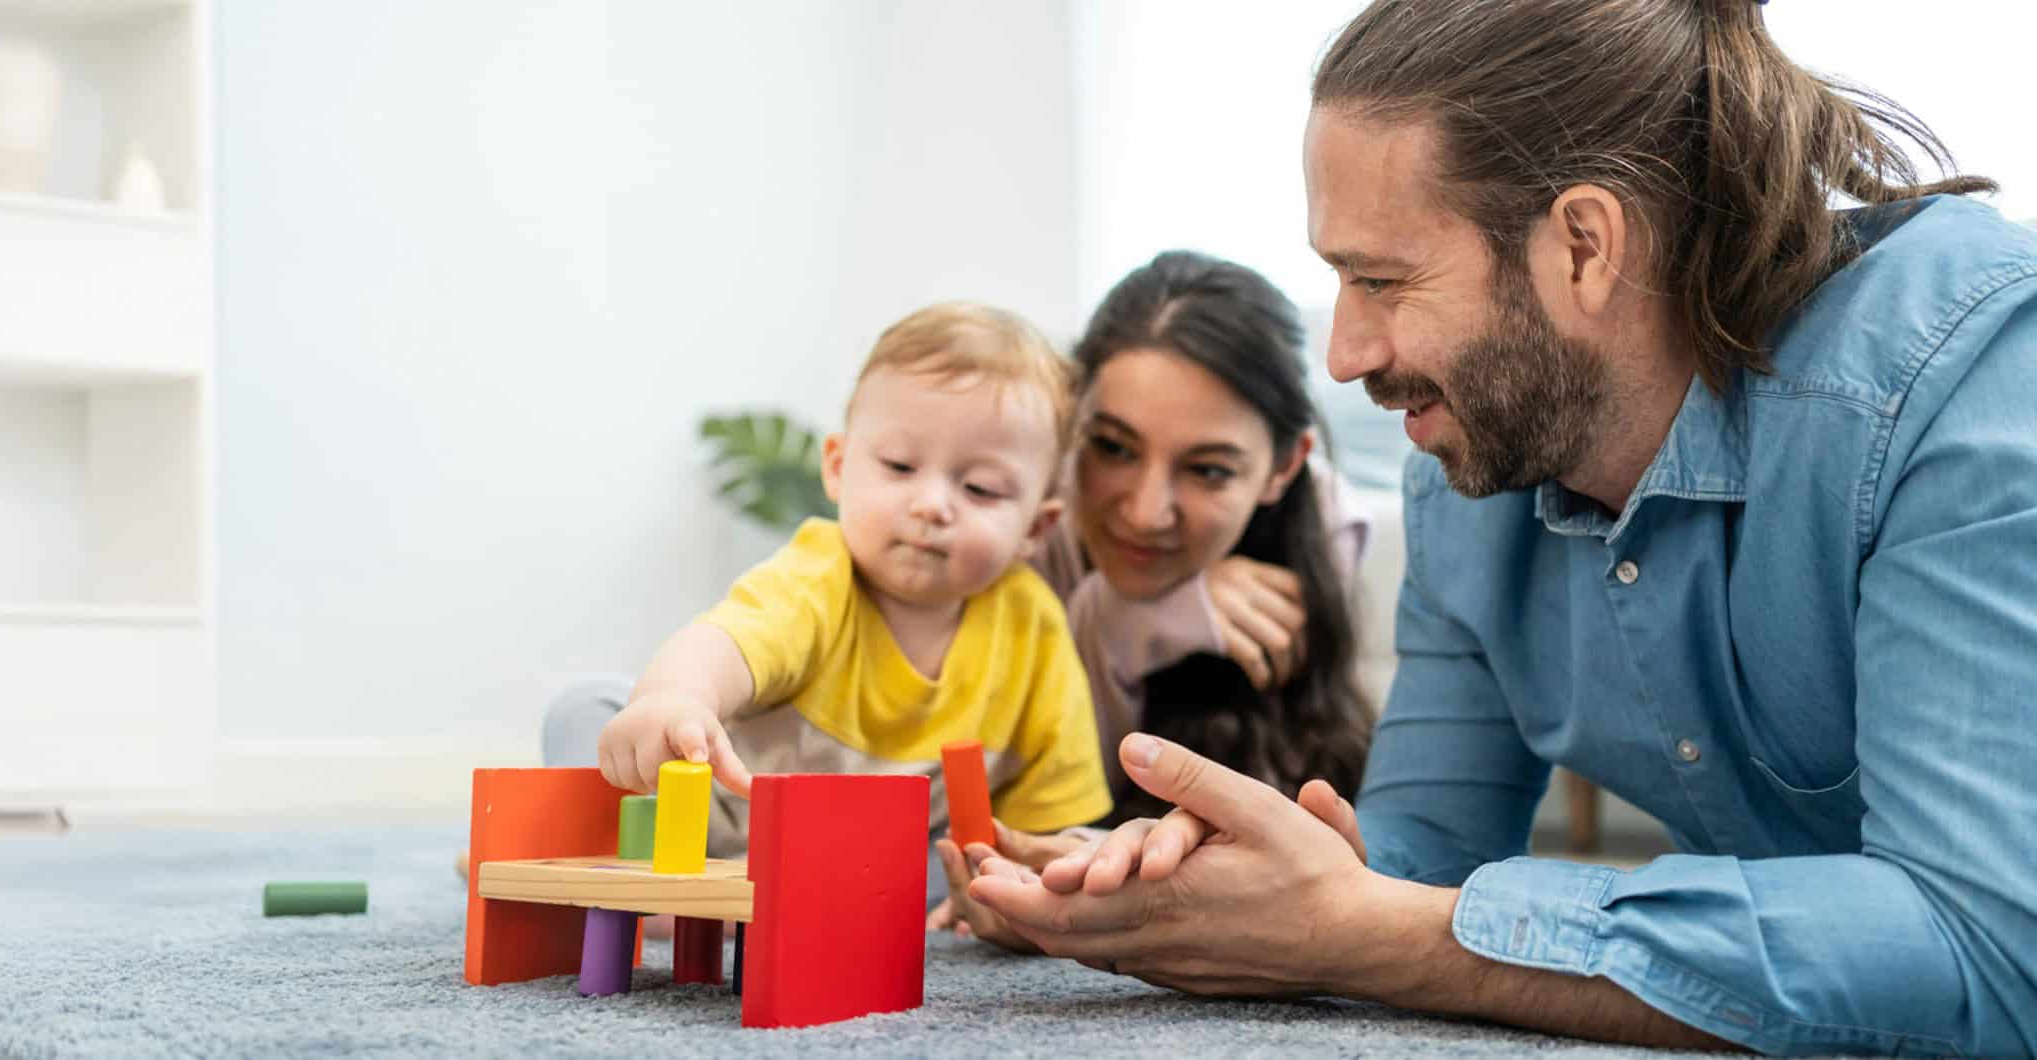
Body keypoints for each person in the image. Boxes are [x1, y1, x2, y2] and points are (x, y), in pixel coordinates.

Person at [964, 1, 2037, 1054]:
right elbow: (1417, 860)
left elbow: (1988, 952)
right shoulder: (1470, 482)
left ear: (1583, 247)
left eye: (1380, 280)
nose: (1343, 354)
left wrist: (1369, 933)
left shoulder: (1970, 377)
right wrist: (1213, 877)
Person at [928, 252, 1375, 947]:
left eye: (1208, 470)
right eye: (1112, 447)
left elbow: (1288, 805)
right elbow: (975, 802)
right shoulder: (1010, 526)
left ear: (1283, 466)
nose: (1144, 512)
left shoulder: (1322, 524)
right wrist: (1120, 623)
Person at [592, 301, 1111, 876]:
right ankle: (611, 814)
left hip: (873, 869)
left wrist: (1027, 878)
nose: (932, 505)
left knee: (955, 872)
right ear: (838, 467)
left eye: (980, 488)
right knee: (599, 715)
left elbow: (1046, 818)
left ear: (1036, 527)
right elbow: (721, 647)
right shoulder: (818, 578)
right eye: (900, 466)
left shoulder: (1033, 628)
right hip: (714, 832)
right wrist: (675, 699)